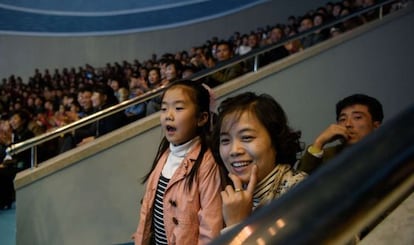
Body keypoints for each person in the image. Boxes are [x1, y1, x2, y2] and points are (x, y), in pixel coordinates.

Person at [132, 80, 223, 244]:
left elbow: (211, 229)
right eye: (164, 108)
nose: (169, 115)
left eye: (178, 108)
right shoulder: (165, 153)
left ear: (202, 118)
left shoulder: (207, 164)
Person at [211, 92, 307, 229]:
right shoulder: (234, 194)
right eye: (225, 140)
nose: (234, 150)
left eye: (247, 137)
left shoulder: (298, 192)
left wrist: (236, 225)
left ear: (275, 140)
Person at [298, 94, 384, 174]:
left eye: (357, 117)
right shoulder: (326, 156)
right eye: (343, 119)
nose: (348, 124)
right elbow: (299, 183)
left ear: (376, 125)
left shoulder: (388, 151)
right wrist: (319, 142)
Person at [0, 110, 35, 209]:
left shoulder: (28, 134)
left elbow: (19, 153)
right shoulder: (14, 134)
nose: (12, 121)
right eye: (11, 119)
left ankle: (5, 201)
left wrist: (7, 144)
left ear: (23, 120)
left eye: (15, 118)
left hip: (24, 166)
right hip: (13, 165)